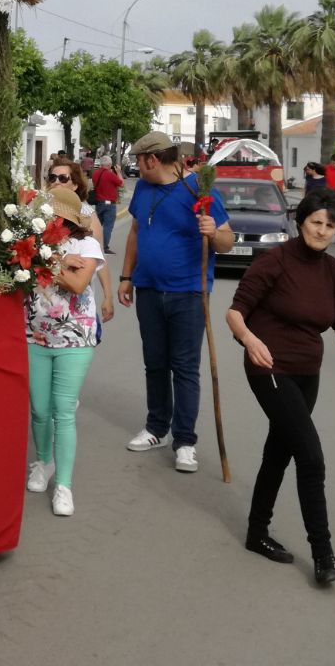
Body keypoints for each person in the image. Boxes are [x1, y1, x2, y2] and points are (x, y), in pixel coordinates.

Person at [226, 189, 335, 587]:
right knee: (311, 456)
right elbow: (235, 313)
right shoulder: (275, 261)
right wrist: (251, 342)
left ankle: (257, 532)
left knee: (280, 450)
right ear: (300, 221)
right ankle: (323, 554)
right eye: (316, 221)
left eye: (330, 225)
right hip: (270, 367)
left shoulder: (332, 270)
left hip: (308, 371)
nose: (322, 230)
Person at [118, 130, 235, 474]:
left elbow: (227, 241)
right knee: (155, 362)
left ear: (152, 160)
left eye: (138, 162)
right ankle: (157, 428)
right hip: (149, 290)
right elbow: (137, 231)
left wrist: (214, 231)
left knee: (184, 367)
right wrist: (126, 277)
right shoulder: (142, 189)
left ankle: (185, 440)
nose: (136, 169)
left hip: (188, 292)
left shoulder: (198, 190)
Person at [24, 187, 109, 517]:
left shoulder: (86, 245)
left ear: (68, 219)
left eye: (54, 214)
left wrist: (38, 259)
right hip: (34, 335)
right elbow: (12, 261)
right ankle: (43, 463)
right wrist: (54, 259)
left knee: (63, 410)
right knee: (40, 409)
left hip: (75, 339)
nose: (49, 219)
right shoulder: (33, 242)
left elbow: (76, 284)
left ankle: (64, 485)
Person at [47, 160, 115, 331]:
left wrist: (108, 295)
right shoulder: (40, 208)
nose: (56, 182)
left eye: (63, 178)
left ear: (75, 185)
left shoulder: (85, 214)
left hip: (73, 297)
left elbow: (99, 255)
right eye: (52, 177)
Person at [90, 155, 122, 254]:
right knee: (108, 226)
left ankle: (93, 244)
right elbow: (121, 183)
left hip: (99, 203)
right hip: (109, 204)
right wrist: (119, 172)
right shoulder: (110, 174)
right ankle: (104, 247)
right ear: (109, 164)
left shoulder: (95, 174)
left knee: (97, 225)